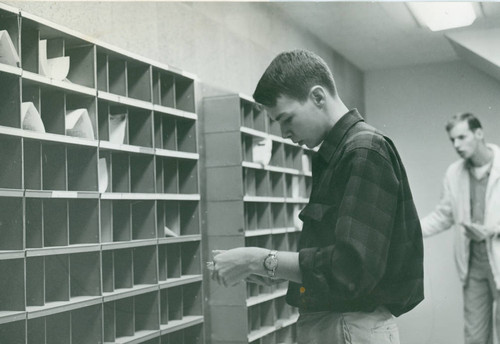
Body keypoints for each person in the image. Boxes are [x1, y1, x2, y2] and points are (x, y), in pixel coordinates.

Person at [209, 49, 424, 343]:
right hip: (340, 325)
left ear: (318, 97)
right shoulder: (340, 153)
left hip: (349, 327)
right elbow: (337, 261)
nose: (284, 132)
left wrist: (259, 260)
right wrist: (272, 270)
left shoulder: (363, 151)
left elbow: (351, 269)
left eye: (287, 119)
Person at [421, 113, 500, 344]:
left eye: (462, 137)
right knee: (474, 337)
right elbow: (444, 215)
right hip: (473, 266)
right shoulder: (454, 173)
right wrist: (409, 230)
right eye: (452, 140)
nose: (456, 145)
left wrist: (493, 229)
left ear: (479, 133)